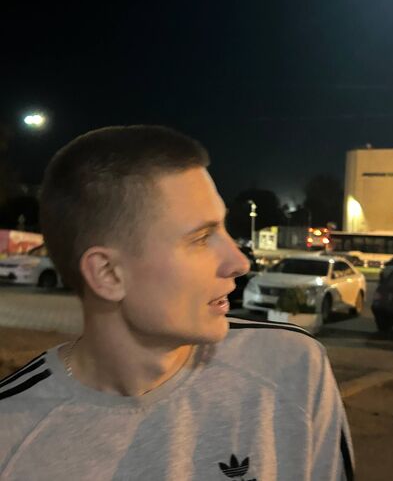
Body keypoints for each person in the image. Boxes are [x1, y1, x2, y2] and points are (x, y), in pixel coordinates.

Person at [0, 125, 354, 480]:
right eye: (201, 238)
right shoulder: (12, 437)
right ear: (107, 274)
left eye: (224, 229)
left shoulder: (291, 367)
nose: (238, 262)